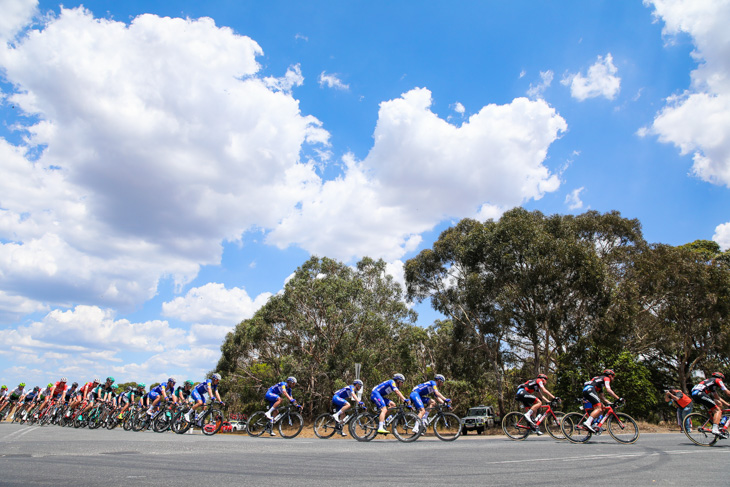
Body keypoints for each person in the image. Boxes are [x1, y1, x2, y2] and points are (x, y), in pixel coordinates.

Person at [691, 372, 730, 437]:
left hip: (696, 394)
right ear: (720, 377)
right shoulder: (718, 380)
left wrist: (728, 405)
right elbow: (727, 392)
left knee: (719, 404)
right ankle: (715, 428)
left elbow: (717, 398)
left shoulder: (711, 385)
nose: (722, 381)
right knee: (717, 410)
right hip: (700, 393)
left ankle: (718, 422)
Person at [582, 369, 621, 433]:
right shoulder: (606, 378)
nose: (613, 379)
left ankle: (595, 424)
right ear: (610, 375)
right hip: (590, 390)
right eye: (613, 377)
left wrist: (610, 403)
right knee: (599, 408)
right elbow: (609, 390)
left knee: (602, 407)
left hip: (587, 390)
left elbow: (602, 397)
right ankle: (588, 422)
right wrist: (618, 398)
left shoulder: (600, 382)